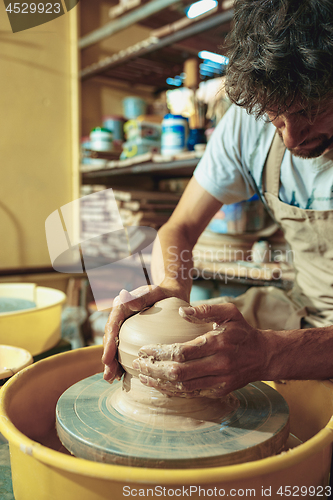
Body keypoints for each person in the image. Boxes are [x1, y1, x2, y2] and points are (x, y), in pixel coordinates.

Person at [102, 0, 333, 398]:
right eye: (277, 119)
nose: (291, 138)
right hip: (305, 307)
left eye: (310, 111)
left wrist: (270, 354)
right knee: (193, 348)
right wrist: (172, 290)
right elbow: (182, 225)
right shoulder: (249, 121)